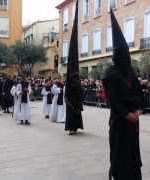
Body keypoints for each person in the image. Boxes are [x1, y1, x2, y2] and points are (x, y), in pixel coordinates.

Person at [103, 11, 143, 180]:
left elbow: (139, 93)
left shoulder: (132, 72)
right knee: (120, 153)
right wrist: (127, 114)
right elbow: (113, 99)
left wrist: (138, 111)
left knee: (133, 154)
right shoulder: (109, 74)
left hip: (133, 121)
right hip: (120, 121)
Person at [64, 1, 84, 135]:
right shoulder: (72, 79)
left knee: (74, 113)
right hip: (72, 100)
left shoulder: (74, 79)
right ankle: (72, 127)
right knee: (72, 113)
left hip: (75, 100)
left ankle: (74, 127)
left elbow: (78, 89)